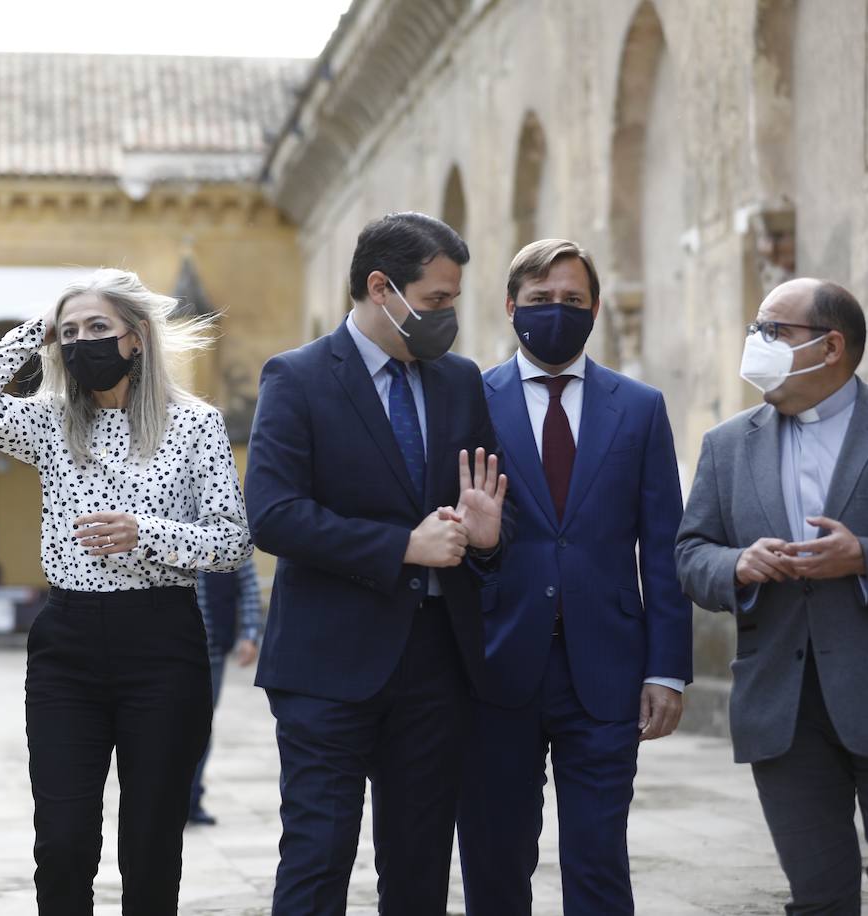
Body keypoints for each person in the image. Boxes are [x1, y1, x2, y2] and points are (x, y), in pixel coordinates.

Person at [0, 268, 251, 915]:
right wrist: (39, 331)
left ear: (135, 339)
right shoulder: (51, 423)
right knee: (61, 842)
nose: (82, 342)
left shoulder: (194, 424)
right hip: (68, 645)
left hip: (163, 644)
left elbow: (232, 542)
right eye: (71, 332)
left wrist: (146, 532)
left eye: (97, 329)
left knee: (150, 844)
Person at [245, 212, 510, 914]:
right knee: (318, 854)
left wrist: (487, 535)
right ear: (380, 287)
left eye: (452, 301)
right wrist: (401, 546)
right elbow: (272, 515)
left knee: (420, 865)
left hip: (436, 662)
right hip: (326, 662)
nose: (447, 315)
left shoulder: (458, 381)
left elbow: (486, 509)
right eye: (435, 301)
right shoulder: (296, 378)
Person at [456, 239, 692, 914]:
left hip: (608, 670)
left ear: (594, 310)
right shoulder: (469, 400)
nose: (556, 312)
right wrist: (481, 546)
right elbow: (458, 531)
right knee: (496, 859)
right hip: (496, 666)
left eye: (572, 300)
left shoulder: (640, 408)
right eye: (539, 301)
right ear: (510, 307)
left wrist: (667, 669)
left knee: (599, 862)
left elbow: (663, 545)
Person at [676, 278, 868, 915]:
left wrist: (862, 555)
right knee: (821, 898)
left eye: (774, 331)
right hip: (782, 711)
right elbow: (690, 555)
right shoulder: (728, 445)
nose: (756, 343)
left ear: (831, 346)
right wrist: (740, 564)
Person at [188, 557, 263, 826]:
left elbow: (250, 588)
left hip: (213, 652)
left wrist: (250, 634)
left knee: (199, 726)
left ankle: (191, 800)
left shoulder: (225, 528)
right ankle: (165, 799)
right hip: (168, 651)